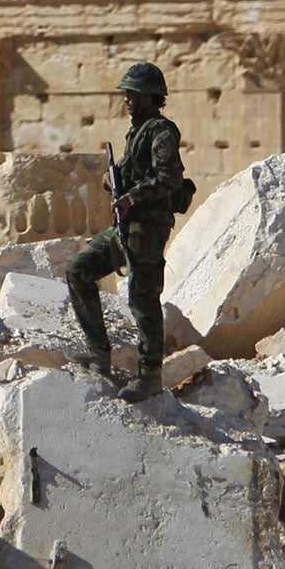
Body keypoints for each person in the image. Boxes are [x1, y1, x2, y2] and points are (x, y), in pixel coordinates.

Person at [65, 62, 188, 402]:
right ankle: (98, 352)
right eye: (126, 93)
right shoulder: (137, 132)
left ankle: (150, 376)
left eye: (133, 93)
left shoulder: (162, 131)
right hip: (126, 225)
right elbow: (132, 172)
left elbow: (169, 179)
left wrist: (133, 196)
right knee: (79, 269)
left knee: (142, 295)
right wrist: (113, 181)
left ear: (150, 96)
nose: (127, 99)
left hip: (147, 227)